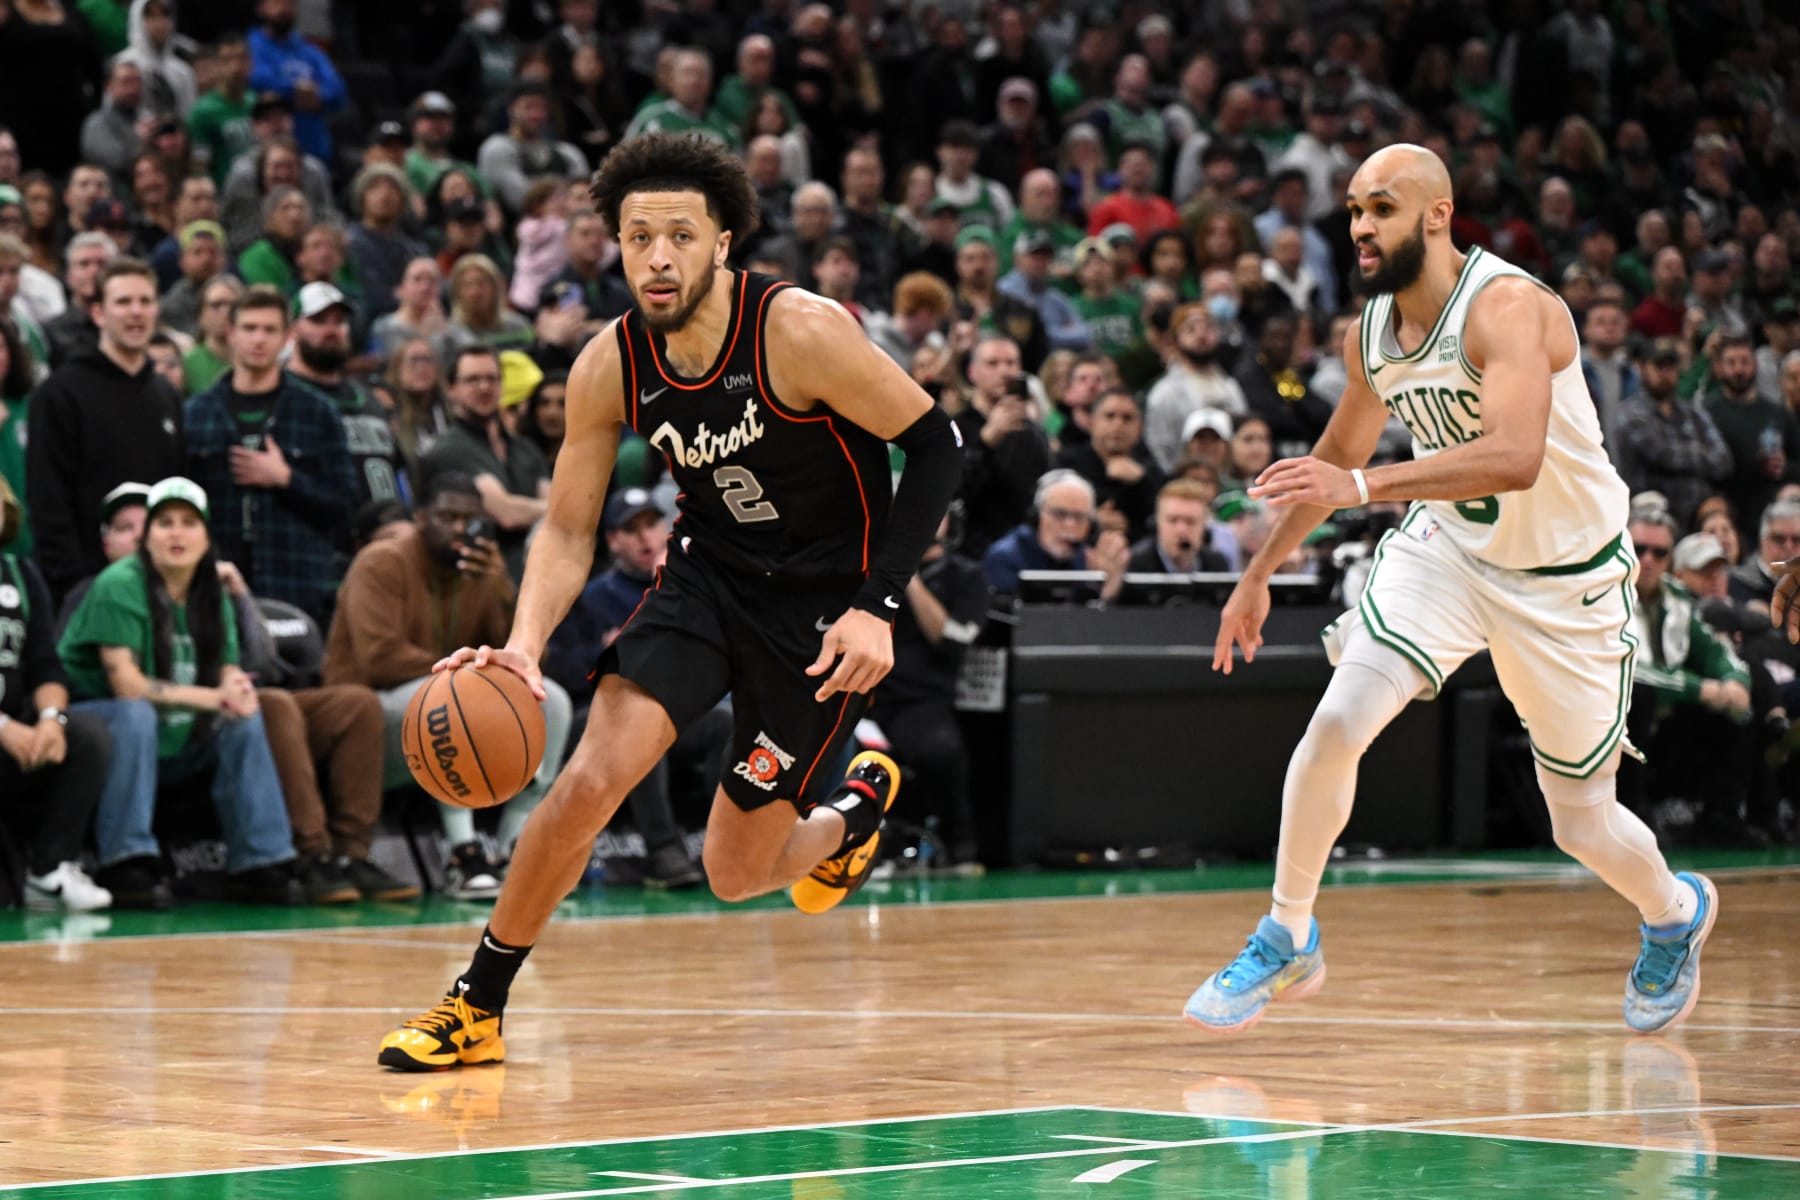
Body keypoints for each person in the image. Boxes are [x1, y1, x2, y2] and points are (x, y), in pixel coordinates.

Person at [375, 132, 962, 1071]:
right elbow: (568, 529)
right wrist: (524, 648)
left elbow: (938, 446)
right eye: (637, 235)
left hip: (822, 611)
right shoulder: (608, 363)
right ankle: (476, 1002)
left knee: (733, 873)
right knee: (587, 782)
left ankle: (853, 816)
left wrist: (879, 606)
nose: (657, 256)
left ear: (723, 243)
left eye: (680, 235)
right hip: (707, 577)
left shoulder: (797, 331)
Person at [1186, 145, 1717, 1039]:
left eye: (1381, 208)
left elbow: (1513, 457)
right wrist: (1256, 574)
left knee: (1580, 823)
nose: (1360, 226)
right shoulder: (1370, 334)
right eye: (1353, 209)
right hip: (1451, 553)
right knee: (1336, 724)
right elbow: (1334, 463)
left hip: (1564, 583)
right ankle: (1289, 932)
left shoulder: (1509, 308)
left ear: (1437, 214)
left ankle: (1673, 911)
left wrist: (1357, 492)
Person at [322, 470, 567, 901]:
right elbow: (378, 660)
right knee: (456, 710)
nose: (459, 529)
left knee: (554, 700)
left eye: (469, 519)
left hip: (434, 707)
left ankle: (514, 849)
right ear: (420, 517)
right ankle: (463, 855)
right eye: (446, 516)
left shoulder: (480, 570)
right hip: (365, 722)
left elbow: (530, 660)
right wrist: (468, 676)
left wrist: (501, 590)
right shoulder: (381, 561)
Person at [58, 476, 302, 907]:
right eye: (164, 522)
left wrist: (235, 688)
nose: (176, 532)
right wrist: (214, 697)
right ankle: (126, 861)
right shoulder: (120, 583)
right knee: (136, 713)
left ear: (207, 537)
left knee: (245, 714)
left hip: (176, 728)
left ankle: (261, 861)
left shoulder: (210, 589)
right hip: (95, 729)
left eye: (189, 522)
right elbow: (127, 684)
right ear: (147, 537)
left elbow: (228, 665)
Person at [183, 284, 354, 625]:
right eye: (249, 328)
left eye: (269, 329)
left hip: (298, 583)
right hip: (214, 586)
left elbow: (346, 505)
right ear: (230, 333)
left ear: (287, 336)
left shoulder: (318, 412)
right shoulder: (195, 413)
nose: (258, 339)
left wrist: (286, 479)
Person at [27, 258, 185, 603]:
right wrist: (74, 584)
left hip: (159, 583)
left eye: (145, 301)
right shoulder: (60, 393)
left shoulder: (165, 394)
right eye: (123, 302)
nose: (136, 312)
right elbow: (48, 501)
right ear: (99, 313)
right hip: (84, 587)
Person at [0, 477, 114, 910]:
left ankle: (48, 869)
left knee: (87, 735)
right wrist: (5, 727)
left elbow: (47, 666)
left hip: (17, 740)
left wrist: (50, 721)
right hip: (5, 733)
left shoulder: (20, 574)